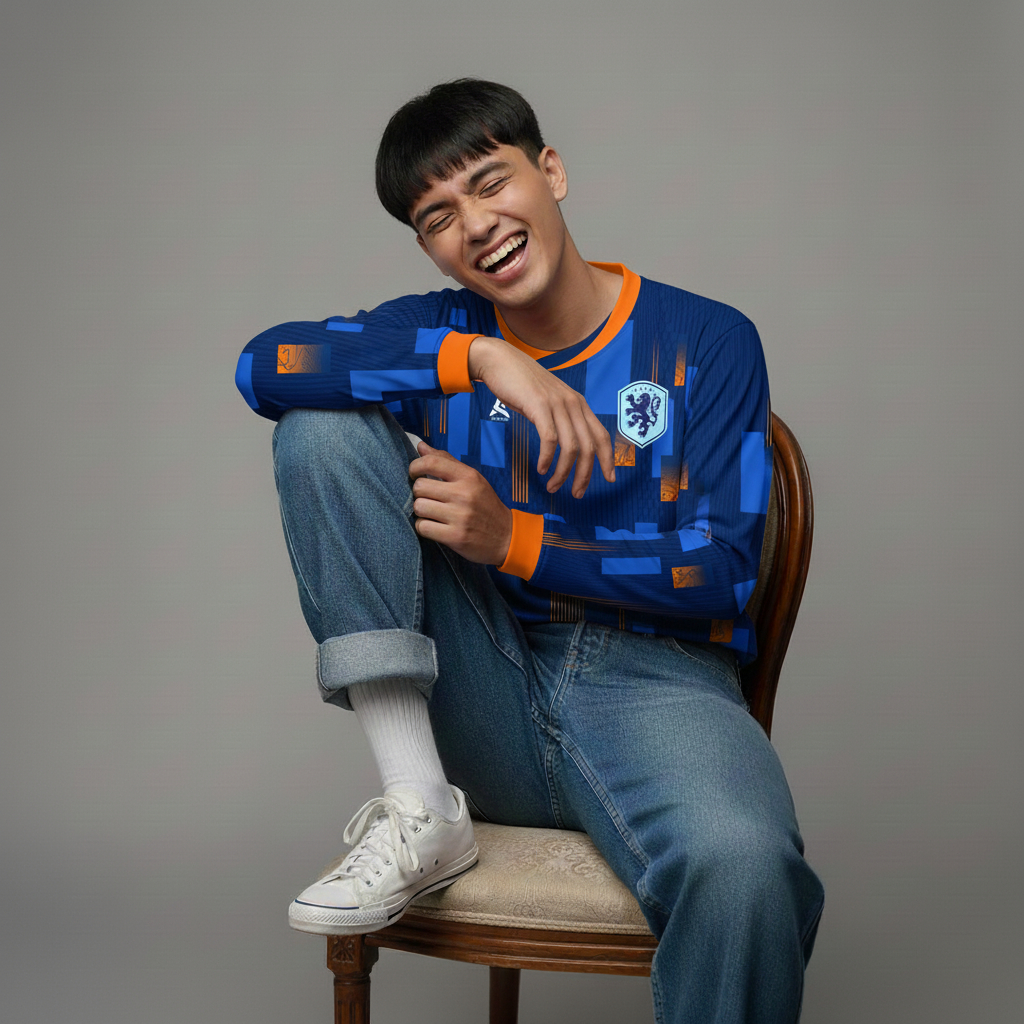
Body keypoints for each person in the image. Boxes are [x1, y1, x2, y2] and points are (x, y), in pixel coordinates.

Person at [235, 78, 823, 1023]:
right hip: (481, 691)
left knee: (747, 871)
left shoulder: (706, 339)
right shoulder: (446, 330)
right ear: (427, 246)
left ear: (551, 171)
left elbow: (723, 573)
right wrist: (481, 358)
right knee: (322, 426)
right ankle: (420, 803)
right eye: (438, 217)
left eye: (491, 183)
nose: (476, 225)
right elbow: (263, 365)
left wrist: (515, 539)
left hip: (658, 684)